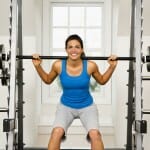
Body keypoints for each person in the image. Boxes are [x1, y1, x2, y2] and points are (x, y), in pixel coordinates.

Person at [32, 34, 118, 150]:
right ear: (66, 49)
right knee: (56, 133)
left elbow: (102, 81)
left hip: (87, 106)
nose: (73, 50)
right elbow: (47, 80)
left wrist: (112, 67)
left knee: (95, 135)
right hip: (65, 106)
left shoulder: (90, 66)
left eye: (77, 47)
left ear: (82, 49)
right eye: (70, 47)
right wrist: (38, 66)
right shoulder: (58, 65)